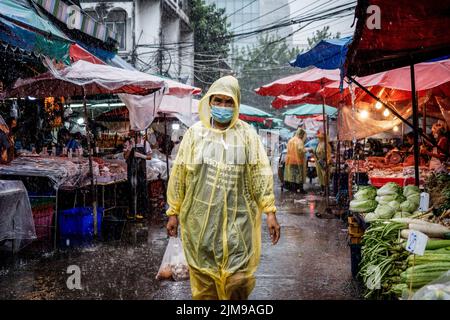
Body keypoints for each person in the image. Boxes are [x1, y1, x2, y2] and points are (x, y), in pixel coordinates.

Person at [165, 75, 280, 300]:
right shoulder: (195, 135)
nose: (223, 107)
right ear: (210, 102)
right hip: (200, 225)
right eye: (219, 101)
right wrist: (173, 212)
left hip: (239, 224)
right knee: (205, 284)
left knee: (239, 281)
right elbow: (179, 175)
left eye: (229, 102)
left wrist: (270, 212)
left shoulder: (247, 136)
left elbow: (260, 174)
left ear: (236, 104)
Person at [124, 130, 152, 220]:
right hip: (131, 170)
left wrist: (141, 155)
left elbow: (149, 157)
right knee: (131, 190)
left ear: (140, 137)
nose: (136, 140)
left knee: (142, 190)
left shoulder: (145, 143)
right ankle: (132, 212)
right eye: (134, 138)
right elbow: (125, 157)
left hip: (141, 170)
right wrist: (130, 147)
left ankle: (141, 211)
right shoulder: (128, 143)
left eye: (138, 138)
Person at [283, 127, 307, 194]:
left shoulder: (291, 140)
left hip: (290, 161)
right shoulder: (299, 141)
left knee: (292, 176)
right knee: (299, 176)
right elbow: (301, 150)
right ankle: (300, 189)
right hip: (297, 161)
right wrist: (307, 150)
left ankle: (294, 189)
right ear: (301, 134)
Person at [314, 129, 332, 195]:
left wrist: (327, 163)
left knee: (325, 177)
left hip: (324, 163)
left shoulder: (326, 145)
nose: (318, 138)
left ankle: (326, 191)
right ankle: (322, 190)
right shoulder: (319, 144)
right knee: (320, 176)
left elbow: (328, 155)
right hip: (319, 162)